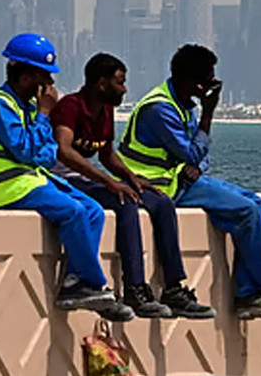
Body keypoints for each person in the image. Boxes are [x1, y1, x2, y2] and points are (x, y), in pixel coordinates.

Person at [118, 44, 261, 330]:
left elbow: (198, 157)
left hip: (182, 178)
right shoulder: (161, 109)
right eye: (209, 77)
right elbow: (194, 151)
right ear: (195, 82)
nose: (214, 83)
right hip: (162, 188)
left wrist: (196, 163)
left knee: (258, 207)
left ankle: (247, 293)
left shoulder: (183, 104)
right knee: (246, 212)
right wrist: (208, 114)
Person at [0, 33, 134, 321]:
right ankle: (95, 284)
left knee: (94, 211)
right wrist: (44, 115)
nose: (51, 86)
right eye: (45, 77)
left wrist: (40, 120)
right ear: (27, 76)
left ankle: (73, 283)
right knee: (73, 211)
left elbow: (47, 153)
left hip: (33, 180)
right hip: (8, 188)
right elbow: (27, 150)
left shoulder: (28, 110)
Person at [50, 53, 213, 319]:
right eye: (120, 83)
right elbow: (64, 152)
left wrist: (131, 178)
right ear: (101, 83)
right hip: (64, 180)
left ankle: (173, 287)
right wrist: (109, 183)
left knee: (161, 203)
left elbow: (107, 155)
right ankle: (134, 288)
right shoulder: (71, 106)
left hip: (88, 178)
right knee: (125, 203)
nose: (125, 89)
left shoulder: (105, 110)